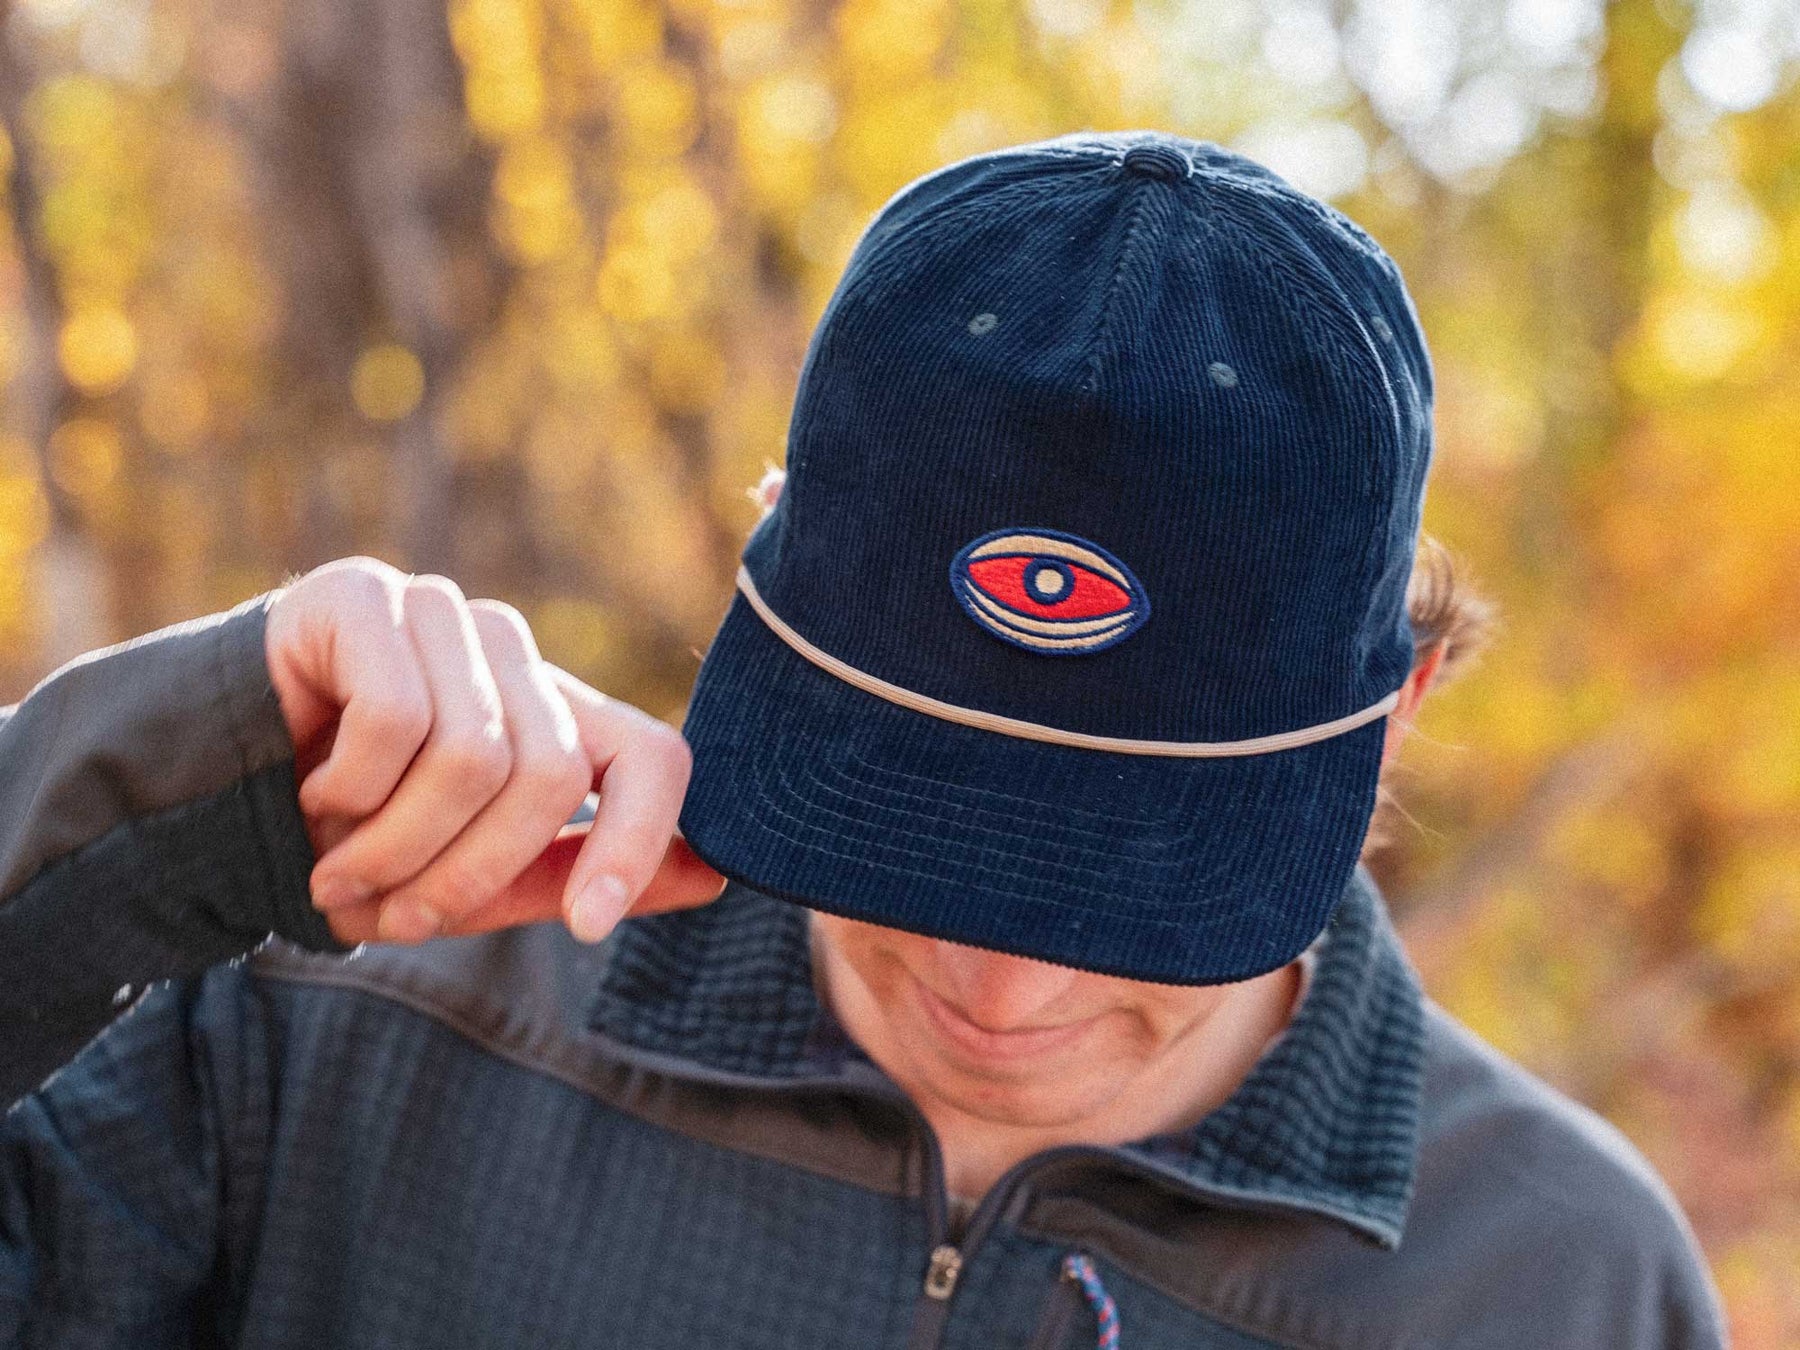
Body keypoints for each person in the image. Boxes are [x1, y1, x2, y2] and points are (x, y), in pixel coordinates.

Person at [0, 131, 1725, 1349]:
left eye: (1130, 886)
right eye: (919, 826)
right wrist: (159, 800)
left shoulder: (1563, 1289)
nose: (1002, 992)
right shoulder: (337, 1004)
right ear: (765, 589)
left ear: (1395, 712)